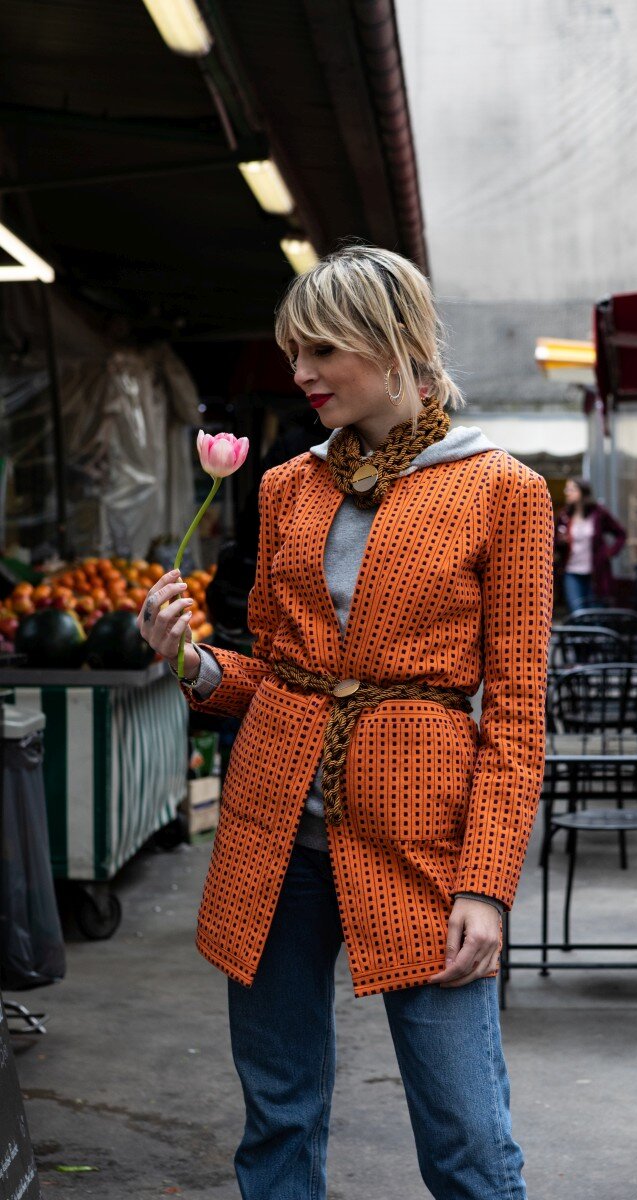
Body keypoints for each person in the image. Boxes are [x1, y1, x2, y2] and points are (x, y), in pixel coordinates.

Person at [136, 244, 553, 1200]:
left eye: (323, 350)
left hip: (424, 848)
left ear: (396, 343)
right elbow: (281, 680)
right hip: (272, 839)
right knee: (277, 1118)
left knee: (468, 1140)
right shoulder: (287, 486)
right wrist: (190, 661)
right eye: (296, 351)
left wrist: (485, 886)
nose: (303, 374)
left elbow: (519, 712)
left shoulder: (503, 491)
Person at [554, 477, 626, 613]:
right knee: (577, 611)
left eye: (571, 489)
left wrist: (609, 553)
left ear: (582, 492)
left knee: (595, 613)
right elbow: (553, 542)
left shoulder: (598, 513)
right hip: (572, 570)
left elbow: (621, 534)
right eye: (567, 489)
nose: (567, 492)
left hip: (595, 572)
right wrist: (561, 541)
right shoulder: (564, 516)